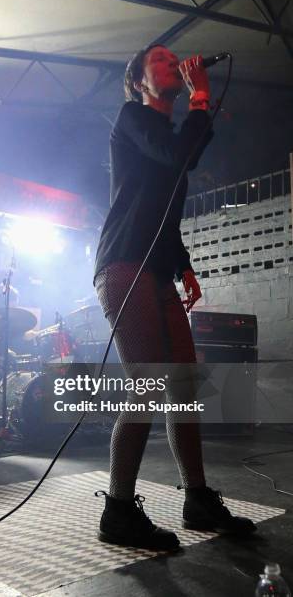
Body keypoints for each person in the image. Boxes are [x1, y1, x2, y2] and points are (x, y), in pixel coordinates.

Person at [93, 44, 256, 551]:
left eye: (172, 59)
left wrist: (183, 265)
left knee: (183, 385)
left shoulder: (163, 133)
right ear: (140, 80)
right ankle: (118, 510)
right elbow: (180, 155)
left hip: (158, 269)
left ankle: (197, 498)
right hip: (123, 264)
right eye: (160, 60)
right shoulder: (133, 117)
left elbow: (164, 210)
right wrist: (200, 99)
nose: (173, 63)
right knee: (147, 382)